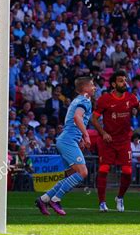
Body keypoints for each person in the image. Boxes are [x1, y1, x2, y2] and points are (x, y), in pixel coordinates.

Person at [35, 77, 95, 216]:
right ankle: (56, 199)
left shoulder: (78, 100)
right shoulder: (84, 100)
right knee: (83, 172)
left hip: (67, 139)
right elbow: (77, 118)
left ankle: (43, 199)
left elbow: (74, 121)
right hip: (68, 140)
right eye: (92, 85)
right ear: (85, 88)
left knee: (72, 174)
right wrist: (86, 135)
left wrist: (79, 137)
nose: (94, 87)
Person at [91, 70, 140, 212]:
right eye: (121, 80)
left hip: (124, 141)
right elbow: (94, 119)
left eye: (125, 80)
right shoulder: (104, 99)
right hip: (108, 141)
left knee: (128, 172)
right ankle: (102, 203)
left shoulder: (131, 98)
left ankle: (120, 197)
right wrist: (103, 133)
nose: (125, 83)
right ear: (113, 84)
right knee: (104, 170)